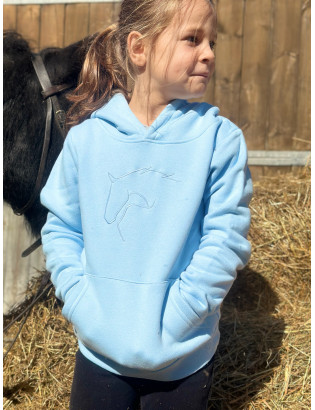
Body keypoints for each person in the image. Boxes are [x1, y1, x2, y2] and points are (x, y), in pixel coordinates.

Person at [40, 0, 252, 408]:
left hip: (181, 361)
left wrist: (179, 316)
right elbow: (62, 227)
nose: (208, 53)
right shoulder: (87, 141)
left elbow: (225, 238)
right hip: (99, 358)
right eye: (192, 39)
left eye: (212, 41)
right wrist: (82, 304)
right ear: (139, 49)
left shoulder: (219, 141)